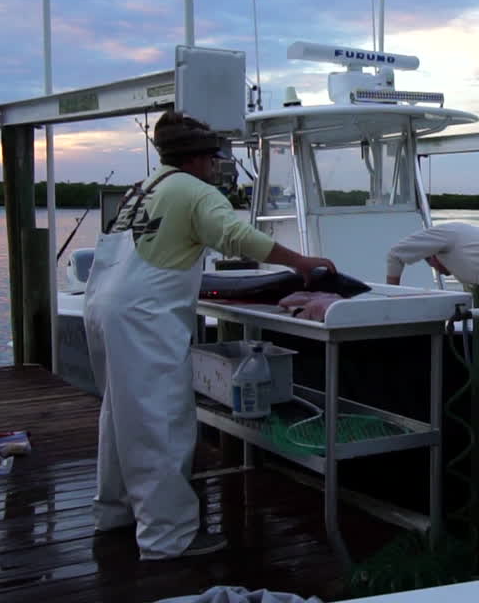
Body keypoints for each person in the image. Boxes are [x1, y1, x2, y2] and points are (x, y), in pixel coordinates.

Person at [83, 110, 335, 560]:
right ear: (199, 159)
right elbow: (234, 235)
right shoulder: (195, 190)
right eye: (215, 159)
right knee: (160, 420)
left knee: (120, 415)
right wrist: (299, 262)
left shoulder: (142, 188)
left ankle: (116, 511)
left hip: (103, 303)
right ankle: (167, 537)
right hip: (145, 315)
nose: (218, 166)